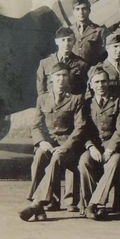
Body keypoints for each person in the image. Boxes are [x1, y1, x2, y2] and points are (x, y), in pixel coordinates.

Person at [19, 63, 86, 221]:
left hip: (69, 147)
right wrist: (41, 142)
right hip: (48, 144)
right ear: (50, 78)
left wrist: (65, 146)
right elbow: (36, 126)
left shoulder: (76, 100)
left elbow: (80, 128)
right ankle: (39, 206)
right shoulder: (42, 99)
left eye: (64, 75)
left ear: (68, 78)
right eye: (57, 76)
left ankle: (36, 204)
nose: (61, 79)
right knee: (40, 156)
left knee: (56, 158)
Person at [79, 66, 120, 220]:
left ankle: (95, 205)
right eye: (97, 82)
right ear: (91, 85)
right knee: (84, 162)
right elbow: (82, 129)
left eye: (104, 82)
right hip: (94, 146)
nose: (101, 85)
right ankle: (89, 204)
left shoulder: (119, 102)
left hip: (112, 147)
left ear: (109, 83)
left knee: (114, 162)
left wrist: (110, 149)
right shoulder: (85, 103)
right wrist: (91, 147)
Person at [36, 26, 89, 96]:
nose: (66, 43)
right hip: (52, 103)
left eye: (69, 40)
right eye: (63, 40)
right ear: (56, 42)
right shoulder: (45, 63)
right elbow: (41, 91)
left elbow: (85, 88)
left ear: (74, 42)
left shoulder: (81, 64)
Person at [70, 0, 106, 66]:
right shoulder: (69, 31)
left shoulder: (99, 31)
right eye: (77, 9)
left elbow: (104, 55)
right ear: (73, 12)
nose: (81, 12)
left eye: (84, 9)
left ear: (89, 11)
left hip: (92, 72)